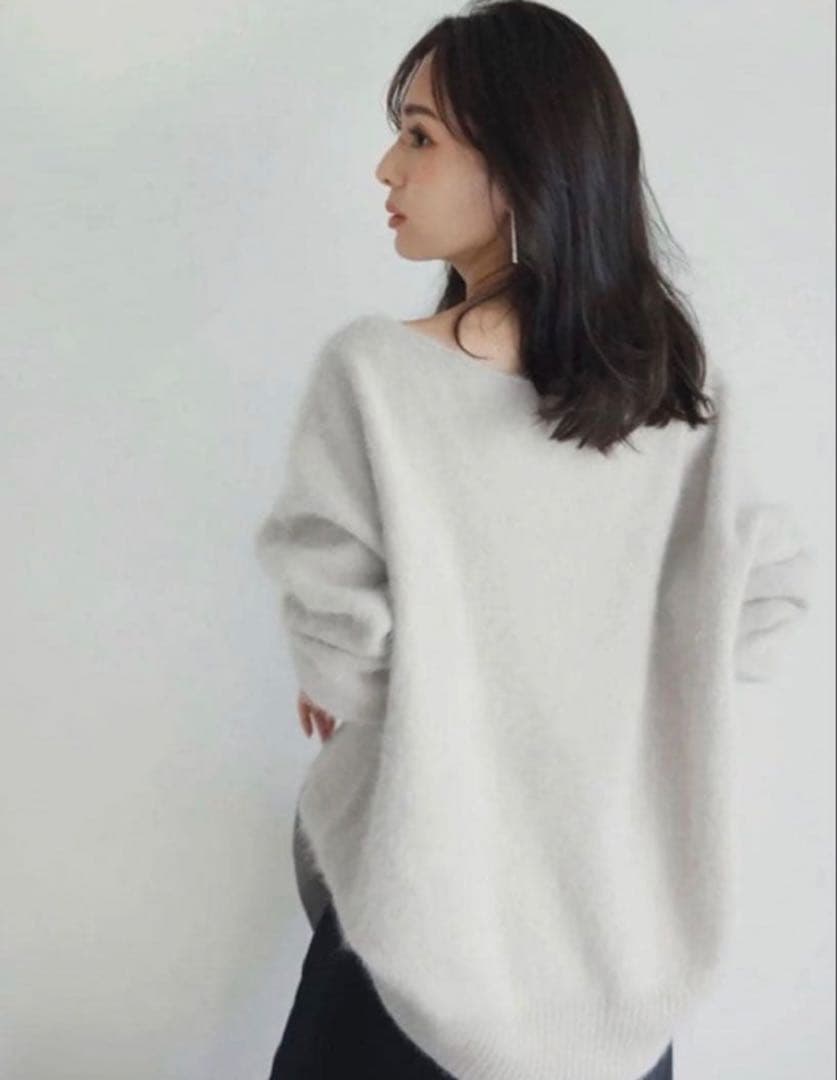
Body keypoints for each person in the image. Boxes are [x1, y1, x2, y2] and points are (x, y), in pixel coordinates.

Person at [253, 2, 817, 1077]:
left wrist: (394, 678)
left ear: (521, 166)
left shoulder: (378, 377)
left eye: (419, 135)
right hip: (611, 968)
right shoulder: (675, 401)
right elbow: (760, 603)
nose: (386, 167)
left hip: (416, 952)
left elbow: (343, 658)